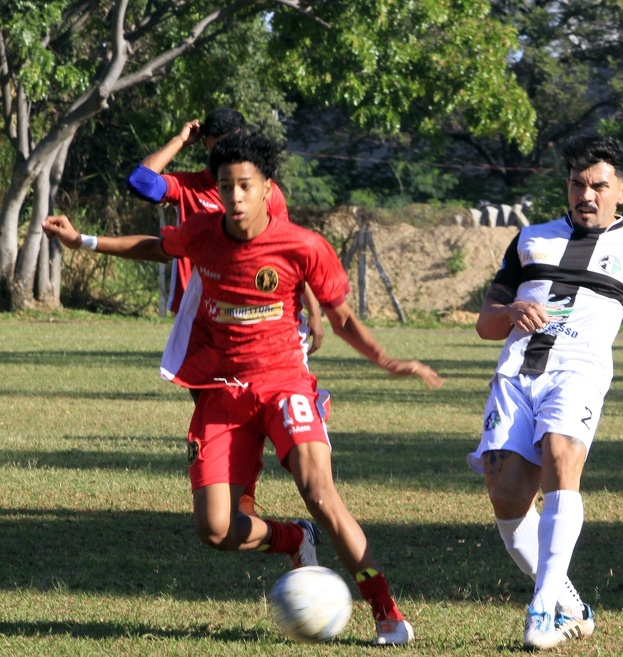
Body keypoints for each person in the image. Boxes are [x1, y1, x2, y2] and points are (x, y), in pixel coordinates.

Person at [44, 132, 442, 646]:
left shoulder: (302, 244)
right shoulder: (203, 231)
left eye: (244, 186)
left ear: (265, 189)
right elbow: (158, 247)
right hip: (222, 392)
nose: (234, 197)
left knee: (320, 492)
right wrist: (83, 242)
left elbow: (342, 318)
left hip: (285, 384)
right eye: (226, 186)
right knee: (216, 531)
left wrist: (388, 360)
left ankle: (386, 610)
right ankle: (293, 538)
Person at [467, 134, 623, 650]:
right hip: (516, 376)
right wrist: (510, 312)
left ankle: (541, 608)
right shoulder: (529, 240)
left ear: (622, 191)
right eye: (577, 184)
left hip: (579, 375)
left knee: (562, 459)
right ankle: (571, 604)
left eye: (598, 186)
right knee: (507, 498)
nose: (586, 195)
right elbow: (485, 324)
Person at [128, 107, 324, 516]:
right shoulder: (190, 186)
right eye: (213, 153)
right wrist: (181, 138)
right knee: (214, 408)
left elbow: (287, 253)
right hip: (199, 323)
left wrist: (312, 308)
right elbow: (141, 181)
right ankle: (239, 495)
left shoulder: (265, 192)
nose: (221, 165)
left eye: (228, 150)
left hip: (255, 318)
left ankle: (303, 420)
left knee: (260, 402)